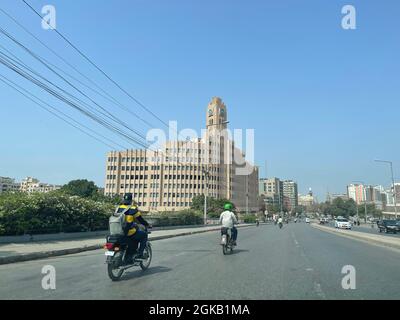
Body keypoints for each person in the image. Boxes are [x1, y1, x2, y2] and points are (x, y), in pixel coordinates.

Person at [116, 193, 151, 262]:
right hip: (127, 232)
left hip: (117, 231)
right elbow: (140, 219)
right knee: (143, 235)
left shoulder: (118, 207)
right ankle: (140, 254)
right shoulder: (133, 208)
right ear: (131, 200)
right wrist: (147, 225)